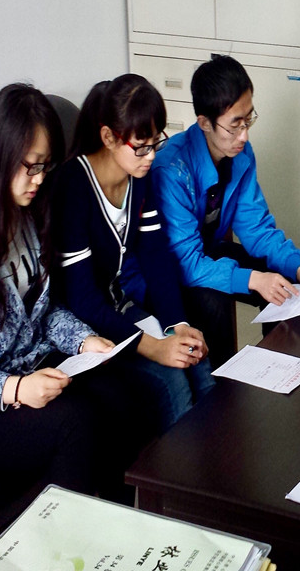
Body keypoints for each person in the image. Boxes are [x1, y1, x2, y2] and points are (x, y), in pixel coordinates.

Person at [0, 83, 142, 499]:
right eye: (31, 167)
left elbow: (44, 309)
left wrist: (83, 340)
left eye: (45, 167)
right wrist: (15, 389)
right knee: (75, 424)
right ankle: (70, 536)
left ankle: (122, 519)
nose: (39, 180)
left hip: (29, 362)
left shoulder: (24, 216)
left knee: (121, 393)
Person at [52, 74, 214, 432]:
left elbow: (156, 256)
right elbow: (81, 299)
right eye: (141, 146)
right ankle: (181, 467)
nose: (151, 156)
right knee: (171, 377)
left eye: (156, 143)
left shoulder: (138, 177)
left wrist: (178, 325)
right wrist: (154, 347)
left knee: (195, 357)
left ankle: (221, 455)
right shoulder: (73, 185)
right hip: (81, 326)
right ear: (109, 137)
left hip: (117, 307)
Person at [151, 54, 300, 368]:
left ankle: (282, 367)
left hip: (208, 253)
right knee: (215, 299)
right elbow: (187, 263)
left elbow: (257, 228)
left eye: (248, 120)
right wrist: (253, 279)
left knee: (284, 279)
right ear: (204, 123)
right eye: (235, 125)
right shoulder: (172, 169)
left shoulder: (241, 155)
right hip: (174, 271)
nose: (244, 135)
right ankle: (224, 388)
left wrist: (298, 268)